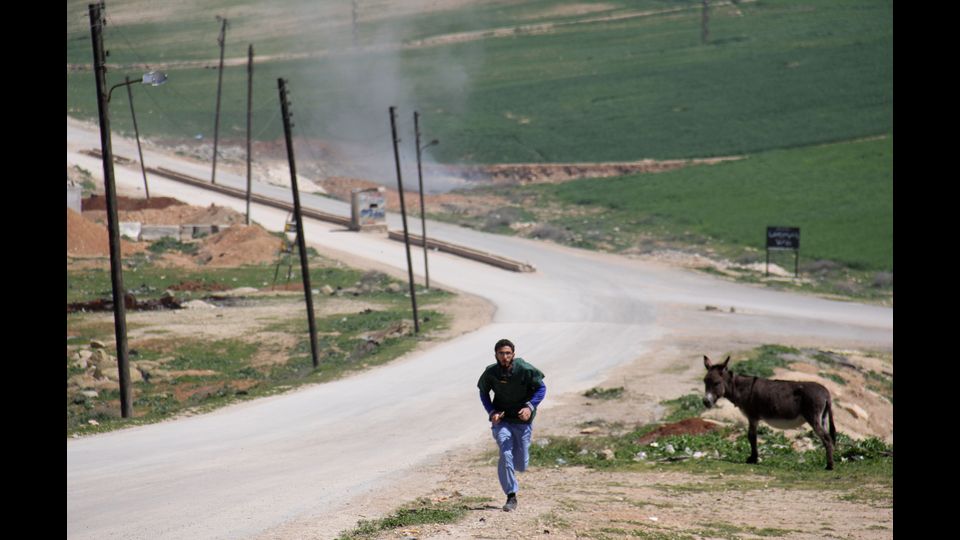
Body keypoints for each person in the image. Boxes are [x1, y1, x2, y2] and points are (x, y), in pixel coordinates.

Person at [477, 338, 546, 512]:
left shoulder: (525, 369)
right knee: (505, 453)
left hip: (522, 421)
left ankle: (515, 469)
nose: (505, 356)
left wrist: (530, 407)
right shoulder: (491, 372)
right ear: (496, 355)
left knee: (521, 461)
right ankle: (511, 496)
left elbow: (541, 388)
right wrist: (492, 412)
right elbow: (483, 392)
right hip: (502, 420)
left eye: (508, 353)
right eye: (501, 353)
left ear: (513, 355)